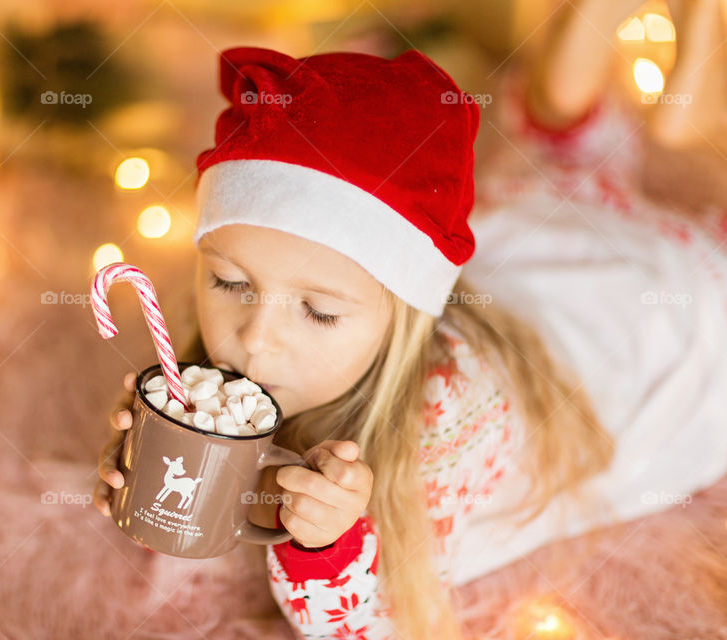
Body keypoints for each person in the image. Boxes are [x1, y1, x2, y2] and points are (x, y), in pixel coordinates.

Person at [92, 2, 727, 637]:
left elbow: (385, 622)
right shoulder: (233, 346)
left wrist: (326, 547)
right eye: (230, 281)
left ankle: (672, 95)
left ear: (401, 320)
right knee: (559, 167)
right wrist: (155, 474)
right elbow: (199, 522)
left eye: (318, 311)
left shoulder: (440, 428)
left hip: (662, 311)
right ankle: (584, 67)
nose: (256, 339)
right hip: (534, 243)